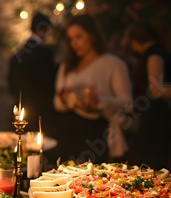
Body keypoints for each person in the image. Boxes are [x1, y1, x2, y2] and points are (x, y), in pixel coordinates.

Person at [53, 15, 133, 163]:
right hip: (67, 131)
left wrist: (99, 101)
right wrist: (68, 100)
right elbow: (57, 102)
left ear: (92, 35)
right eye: (70, 39)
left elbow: (127, 102)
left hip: (94, 132)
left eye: (79, 37)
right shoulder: (67, 65)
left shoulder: (113, 64)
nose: (74, 43)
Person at [126, 22, 171, 168]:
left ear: (136, 39)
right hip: (154, 113)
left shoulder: (154, 54)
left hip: (156, 116)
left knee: (153, 159)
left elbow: (155, 89)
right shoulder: (156, 52)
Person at [8, 13, 58, 133]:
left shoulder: (18, 54)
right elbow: (49, 83)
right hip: (42, 109)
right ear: (44, 29)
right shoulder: (45, 54)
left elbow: (11, 84)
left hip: (22, 107)